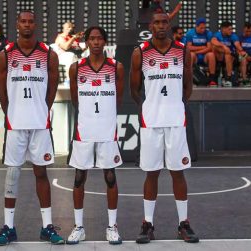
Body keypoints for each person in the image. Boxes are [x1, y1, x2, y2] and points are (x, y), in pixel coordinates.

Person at [0, 10, 63, 245]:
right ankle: (9, 227)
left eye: (30, 21)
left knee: (41, 173)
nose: (27, 25)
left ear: (36, 25)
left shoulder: (48, 54)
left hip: (39, 124)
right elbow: (1, 89)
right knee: (12, 175)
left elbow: (52, 87)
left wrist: (43, 110)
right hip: (15, 124)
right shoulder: (5, 54)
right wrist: (9, 112)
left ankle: (47, 226)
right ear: (17, 24)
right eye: (23, 21)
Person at [130, 12, 199, 244]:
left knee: (177, 172)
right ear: (151, 25)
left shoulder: (182, 50)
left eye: (164, 22)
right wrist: (149, 108)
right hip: (151, 122)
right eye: (157, 22)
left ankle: (184, 224)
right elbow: (134, 88)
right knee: (152, 172)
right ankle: (147, 223)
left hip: (175, 121)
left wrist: (177, 106)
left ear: (169, 25)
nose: (160, 25)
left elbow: (188, 85)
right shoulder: (140, 52)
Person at [66, 26, 124, 245]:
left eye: (100, 38)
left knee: (110, 177)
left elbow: (118, 100)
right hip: (85, 131)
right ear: (87, 42)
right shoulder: (76, 68)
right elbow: (75, 100)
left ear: (105, 42)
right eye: (92, 39)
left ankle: (112, 226)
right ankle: (79, 227)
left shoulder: (116, 67)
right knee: (79, 178)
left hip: (107, 131)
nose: (96, 42)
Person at [211, 21, 246, 87]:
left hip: (231, 56)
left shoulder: (233, 36)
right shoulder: (217, 34)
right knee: (214, 46)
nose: (231, 30)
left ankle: (229, 79)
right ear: (223, 29)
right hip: (220, 56)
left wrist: (241, 51)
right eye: (229, 29)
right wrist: (224, 46)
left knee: (229, 55)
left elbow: (237, 45)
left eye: (231, 29)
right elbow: (213, 41)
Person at [186, 18, 217, 87]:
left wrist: (197, 52)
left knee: (211, 55)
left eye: (204, 28)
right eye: (201, 28)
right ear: (196, 27)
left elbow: (209, 48)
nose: (203, 30)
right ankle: (190, 79)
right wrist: (202, 47)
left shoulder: (208, 33)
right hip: (195, 56)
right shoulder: (190, 33)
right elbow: (189, 47)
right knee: (191, 55)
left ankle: (212, 79)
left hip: (204, 56)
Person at [239, 22, 251, 87]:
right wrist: (246, 56)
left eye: (250, 31)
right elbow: (238, 50)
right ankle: (244, 79)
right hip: (244, 56)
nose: (248, 33)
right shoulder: (240, 38)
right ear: (243, 29)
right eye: (247, 31)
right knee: (243, 59)